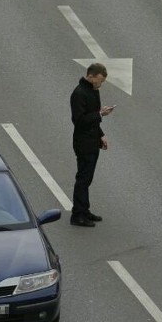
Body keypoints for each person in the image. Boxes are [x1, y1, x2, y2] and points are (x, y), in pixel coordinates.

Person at [70, 63, 114, 227]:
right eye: (99, 81)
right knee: (83, 178)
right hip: (83, 143)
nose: (100, 84)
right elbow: (79, 121)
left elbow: (92, 118)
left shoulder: (92, 91)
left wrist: (100, 134)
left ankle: (84, 210)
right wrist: (100, 114)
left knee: (87, 179)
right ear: (91, 76)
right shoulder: (79, 94)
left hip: (92, 141)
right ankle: (77, 215)